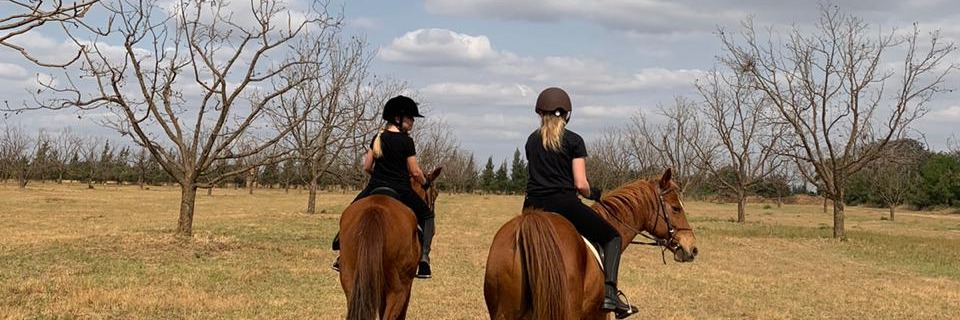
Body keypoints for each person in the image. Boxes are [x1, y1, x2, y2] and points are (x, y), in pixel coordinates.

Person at [522, 87, 638, 318]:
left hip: (531, 206)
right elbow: (580, 184)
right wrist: (593, 193)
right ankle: (610, 294)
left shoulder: (530, 141)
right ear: (566, 114)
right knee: (613, 237)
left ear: (540, 113)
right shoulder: (574, 140)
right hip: (564, 205)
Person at [331, 95, 436, 279]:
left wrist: (378, 178)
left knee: (351, 211)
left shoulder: (377, 137)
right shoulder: (406, 142)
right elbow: (415, 171)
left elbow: (366, 166)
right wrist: (425, 184)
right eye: (410, 117)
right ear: (398, 118)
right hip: (401, 189)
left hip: (374, 186)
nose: (412, 121)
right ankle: (424, 259)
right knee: (427, 216)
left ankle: (342, 249)